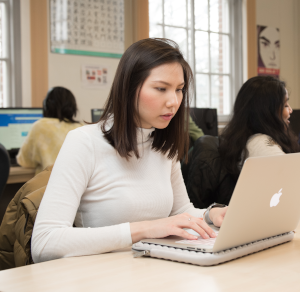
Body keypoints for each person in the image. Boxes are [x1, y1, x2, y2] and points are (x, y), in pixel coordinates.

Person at [32, 38, 227, 263]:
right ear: (129, 87)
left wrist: (211, 215)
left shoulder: (163, 144)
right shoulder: (84, 142)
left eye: (179, 90)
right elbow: (44, 243)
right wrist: (144, 229)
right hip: (99, 279)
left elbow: (180, 211)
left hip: (155, 272)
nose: (174, 101)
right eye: (161, 89)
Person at [219, 76, 299, 178]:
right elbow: (292, 179)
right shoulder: (260, 143)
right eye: (285, 105)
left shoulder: (247, 140)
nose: (291, 110)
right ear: (267, 112)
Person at [17, 87, 82, 174]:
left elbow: (25, 161)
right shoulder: (81, 127)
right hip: (79, 184)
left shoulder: (40, 126)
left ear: (46, 106)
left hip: (49, 184)